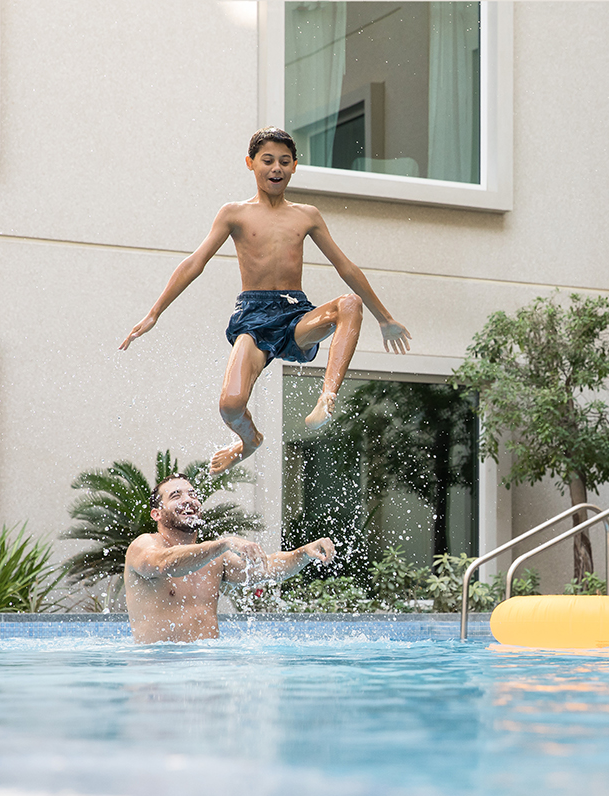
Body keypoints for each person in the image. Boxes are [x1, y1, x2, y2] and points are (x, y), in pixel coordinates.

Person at [120, 127, 412, 476]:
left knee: (349, 303)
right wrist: (155, 312)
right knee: (230, 405)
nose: (276, 168)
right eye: (268, 161)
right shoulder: (234, 213)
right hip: (253, 316)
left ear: (294, 167)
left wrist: (384, 317)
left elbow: (344, 266)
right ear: (251, 164)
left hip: (294, 314)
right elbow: (195, 262)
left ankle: (326, 399)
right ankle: (250, 440)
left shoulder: (307, 215)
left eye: (284, 162)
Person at [124, 473, 335, 643]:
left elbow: (267, 567)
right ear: (156, 514)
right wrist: (223, 544)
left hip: (208, 673)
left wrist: (303, 553)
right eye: (176, 496)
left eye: (193, 494)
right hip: (159, 674)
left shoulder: (215, 558)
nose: (188, 499)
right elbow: (163, 563)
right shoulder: (143, 545)